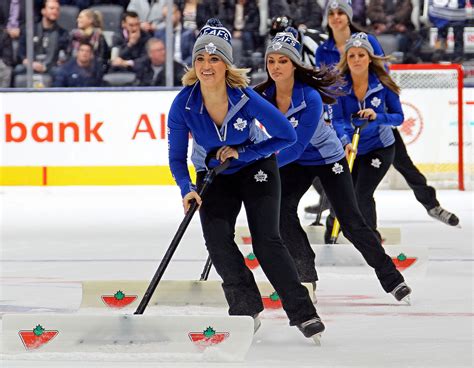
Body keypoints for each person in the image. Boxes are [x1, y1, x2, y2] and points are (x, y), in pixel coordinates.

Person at [167, 18, 325, 340]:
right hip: (215, 174)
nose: (206, 66)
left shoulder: (245, 98)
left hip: (257, 170)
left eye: (214, 59)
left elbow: (287, 135)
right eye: (200, 58)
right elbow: (175, 158)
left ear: (226, 64)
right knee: (217, 239)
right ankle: (245, 307)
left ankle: (303, 313)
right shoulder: (184, 103)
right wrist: (188, 188)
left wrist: (246, 154)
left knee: (266, 242)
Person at [254, 27, 411, 303]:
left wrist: (261, 163)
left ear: (294, 64)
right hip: (296, 162)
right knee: (281, 213)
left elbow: (297, 144)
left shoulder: (310, 97)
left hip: (328, 159)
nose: (276, 67)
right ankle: (305, 273)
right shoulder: (263, 97)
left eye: (283, 61)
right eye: (271, 61)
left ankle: (392, 278)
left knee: (350, 222)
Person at [306, 0, 459, 228]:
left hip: (377, 123)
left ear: (349, 17)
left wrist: (378, 111)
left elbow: (381, 74)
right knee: (341, 171)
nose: (336, 17)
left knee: (404, 164)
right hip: (344, 120)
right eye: (332, 13)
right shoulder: (323, 51)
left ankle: (431, 204)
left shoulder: (369, 41)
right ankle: (332, 223)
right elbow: (323, 85)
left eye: (341, 13)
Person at [331, 32, 405, 243]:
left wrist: (377, 117)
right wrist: (345, 141)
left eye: (361, 55)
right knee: (346, 194)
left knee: (362, 193)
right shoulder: (339, 87)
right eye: (352, 55)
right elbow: (336, 121)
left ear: (370, 58)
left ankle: (371, 239)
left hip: (379, 148)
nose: (356, 60)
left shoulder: (383, 84)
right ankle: (338, 232)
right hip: (351, 148)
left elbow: (398, 118)